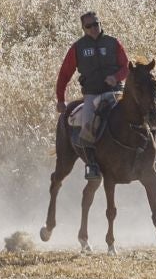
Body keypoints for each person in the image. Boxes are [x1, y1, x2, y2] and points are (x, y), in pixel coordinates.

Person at [54, 11, 130, 181]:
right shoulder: (77, 48)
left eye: (96, 24)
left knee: (142, 113)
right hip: (92, 95)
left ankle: (153, 158)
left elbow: (126, 66)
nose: (94, 28)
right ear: (83, 28)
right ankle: (92, 165)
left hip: (116, 92)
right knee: (87, 124)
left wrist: (116, 77)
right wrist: (60, 99)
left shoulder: (113, 43)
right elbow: (64, 75)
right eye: (89, 26)